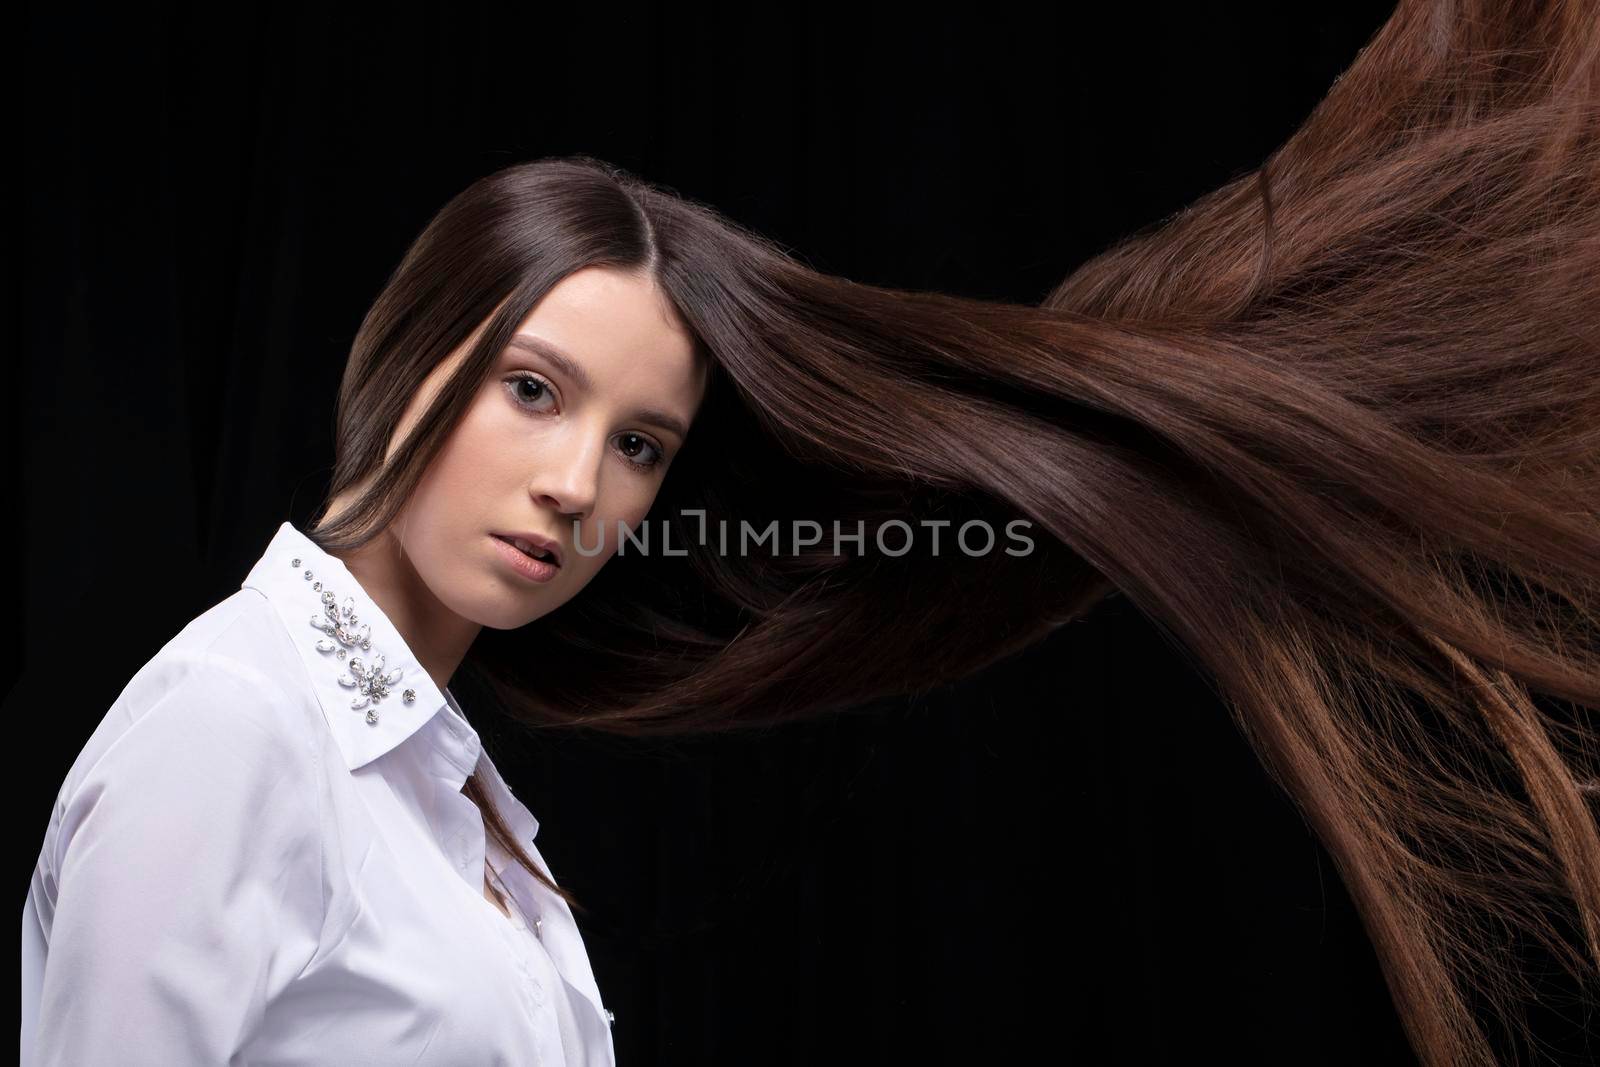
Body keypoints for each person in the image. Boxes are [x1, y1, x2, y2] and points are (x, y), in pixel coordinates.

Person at [22, 1, 1600, 1063]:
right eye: (531, 388)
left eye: (639, 443)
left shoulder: (457, 805)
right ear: (400, 357)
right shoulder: (241, 729)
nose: (581, 484)